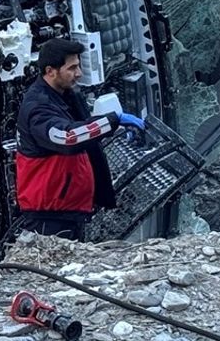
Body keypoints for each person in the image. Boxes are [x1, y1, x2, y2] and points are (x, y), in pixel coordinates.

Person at [15, 38, 145, 241]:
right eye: (72, 68)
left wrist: (114, 127)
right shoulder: (38, 108)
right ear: (51, 71)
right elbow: (68, 137)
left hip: (69, 211)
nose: (79, 73)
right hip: (49, 218)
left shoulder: (64, 96)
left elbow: (84, 130)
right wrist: (113, 121)